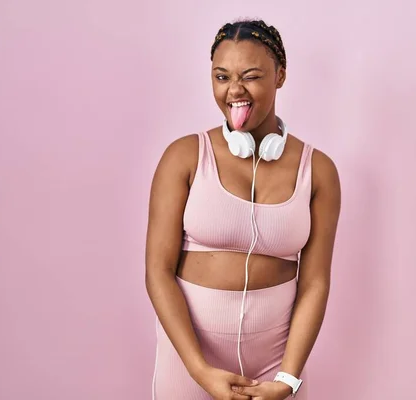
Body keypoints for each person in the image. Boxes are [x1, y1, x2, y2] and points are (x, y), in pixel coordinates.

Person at [145, 18, 341, 400]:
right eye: (221, 77)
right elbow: (158, 271)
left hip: (275, 365)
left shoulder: (318, 171)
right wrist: (199, 371)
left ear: (280, 75)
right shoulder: (183, 157)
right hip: (190, 360)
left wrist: (288, 379)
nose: (234, 90)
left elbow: (315, 281)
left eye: (250, 76)